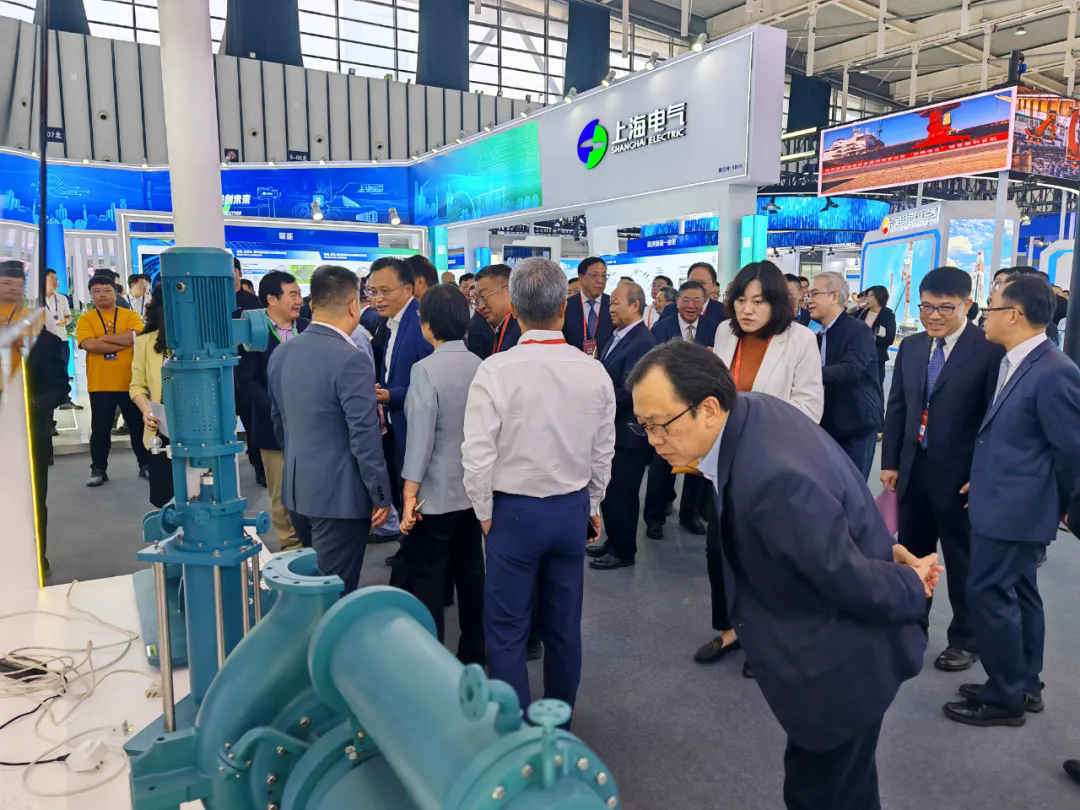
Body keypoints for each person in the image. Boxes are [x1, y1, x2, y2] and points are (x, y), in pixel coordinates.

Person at [628, 340, 941, 810]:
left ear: (708, 408)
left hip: (839, 670)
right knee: (844, 786)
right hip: (829, 648)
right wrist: (882, 546)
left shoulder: (770, 479)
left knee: (823, 792)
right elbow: (835, 499)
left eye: (659, 424)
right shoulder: (755, 409)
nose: (652, 439)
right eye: (644, 425)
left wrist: (912, 584)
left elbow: (845, 577)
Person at [462, 257, 615, 718]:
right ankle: (557, 729)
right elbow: (602, 451)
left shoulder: (495, 370)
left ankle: (516, 735)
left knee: (507, 629)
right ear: (564, 306)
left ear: (515, 307)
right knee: (564, 627)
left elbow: (477, 454)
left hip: (512, 513)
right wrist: (593, 503)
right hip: (570, 509)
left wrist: (483, 511)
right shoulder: (593, 370)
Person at [943, 274, 1080, 727]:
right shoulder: (1016, 362)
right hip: (1003, 499)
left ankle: (1003, 698)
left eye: (991, 307)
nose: (984, 316)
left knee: (989, 593)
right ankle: (1023, 683)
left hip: (1017, 510)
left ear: (1015, 315)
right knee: (1020, 592)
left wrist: (1060, 505)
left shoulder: (1053, 370)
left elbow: (1071, 449)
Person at [701, 262, 823, 670]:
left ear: (777, 303)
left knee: (765, 554)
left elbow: (810, 408)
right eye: (740, 300)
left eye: (758, 301)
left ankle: (767, 636)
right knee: (720, 547)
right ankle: (731, 628)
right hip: (724, 459)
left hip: (772, 462)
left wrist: (753, 422)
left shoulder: (800, 339)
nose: (747, 310)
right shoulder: (725, 332)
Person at [880, 267, 1001, 674]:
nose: (933, 316)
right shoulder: (913, 347)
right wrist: (891, 462)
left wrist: (981, 474)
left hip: (962, 478)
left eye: (945, 308)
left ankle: (966, 640)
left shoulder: (988, 349)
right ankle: (911, 628)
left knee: (964, 562)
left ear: (968, 305)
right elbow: (898, 407)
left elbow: (994, 421)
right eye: (926, 307)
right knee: (913, 556)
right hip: (914, 470)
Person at [268, 265, 392, 593]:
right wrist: (380, 494)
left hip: (298, 491)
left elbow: (280, 423)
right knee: (333, 593)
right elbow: (364, 436)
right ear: (353, 305)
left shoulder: (282, 352)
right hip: (341, 499)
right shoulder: (351, 358)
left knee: (313, 585)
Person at [399, 284, 485, 664]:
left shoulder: (425, 370)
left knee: (430, 577)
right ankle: (474, 650)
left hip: (434, 494)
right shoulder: (481, 365)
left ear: (428, 325)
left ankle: (432, 659)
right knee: (471, 572)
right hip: (473, 491)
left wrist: (409, 493)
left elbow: (420, 438)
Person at [368, 256, 434, 584]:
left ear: (408, 289)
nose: (378, 298)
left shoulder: (420, 323)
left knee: (419, 506)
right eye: (372, 291)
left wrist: (390, 396)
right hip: (398, 427)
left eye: (385, 290)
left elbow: (432, 382)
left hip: (416, 431)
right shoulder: (390, 323)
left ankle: (422, 575)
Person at [586, 281, 657, 570]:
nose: (611, 308)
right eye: (611, 303)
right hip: (610, 430)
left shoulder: (642, 341)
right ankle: (614, 541)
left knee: (623, 493)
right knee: (611, 491)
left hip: (627, 434)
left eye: (616, 302)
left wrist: (594, 396)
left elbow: (631, 390)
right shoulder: (617, 335)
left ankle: (624, 551)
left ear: (635, 305)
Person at [237, 271, 309, 551]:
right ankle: (290, 548)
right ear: (271, 299)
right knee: (282, 493)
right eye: (292, 294)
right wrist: (280, 412)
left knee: (311, 487)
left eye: (299, 294)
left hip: (311, 428)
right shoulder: (254, 333)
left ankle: (314, 544)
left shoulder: (307, 327)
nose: (299, 300)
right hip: (273, 429)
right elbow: (247, 381)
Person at [642, 280, 718, 539]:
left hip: (700, 410)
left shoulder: (714, 328)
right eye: (686, 299)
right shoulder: (662, 329)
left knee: (696, 465)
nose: (691, 305)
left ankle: (689, 514)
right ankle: (654, 517)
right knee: (662, 465)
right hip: (668, 409)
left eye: (697, 300)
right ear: (677, 302)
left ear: (704, 303)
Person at [75, 274, 150, 486]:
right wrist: (123, 341)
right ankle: (99, 469)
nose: (102, 295)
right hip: (100, 384)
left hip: (132, 383)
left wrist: (103, 338)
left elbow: (135, 338)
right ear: (91, 295)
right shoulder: (85, 319)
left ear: (115, 293)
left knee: (138, 427)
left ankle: (145, 465)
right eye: (96, 291)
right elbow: (89, 345)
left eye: (107, 290)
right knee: (100, 430)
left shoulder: (130, 315)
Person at [807, 271, 882, 481]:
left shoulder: (857, 330)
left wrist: (804, 373)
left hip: (856, 425)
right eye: (808, 295)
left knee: (852, 489)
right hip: (827, 424)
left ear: (834, 296)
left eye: (815, 294)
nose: (809, 300)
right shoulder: (818, 333)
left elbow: (851, 369)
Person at [129, 284, 174, 508]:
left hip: (201, 431)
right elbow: (136, 385)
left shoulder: (203, 341)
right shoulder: (146, 342)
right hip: (160, 429)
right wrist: (146, 410)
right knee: (164, 501)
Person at [232, 257, 264, 485]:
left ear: (239, 273)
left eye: (231, 270)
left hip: (247, 371)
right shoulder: (212, 301)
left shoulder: (253, 302)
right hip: (219, 376)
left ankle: (259, 466)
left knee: (252, 422)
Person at [562, 256, 613, 356]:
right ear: (581, 278)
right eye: (594, 275)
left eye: (604, 276)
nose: (600, 280)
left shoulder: (612, 304)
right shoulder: (566, 306)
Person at [470, 263, 518, 358]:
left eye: (483, 296)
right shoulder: (505, 328)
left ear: (509, 290)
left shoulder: (520, 331)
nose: (480, 306)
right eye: (477, 300)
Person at [855, 285, 897, 386]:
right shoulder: (861, 312)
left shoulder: (888, 315)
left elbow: (890, 339)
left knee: (875, 387)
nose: (867, 298)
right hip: (858, 357)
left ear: (879, 297)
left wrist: (874, 339)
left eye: (870, 296)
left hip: (877, 358)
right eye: (867, 296)